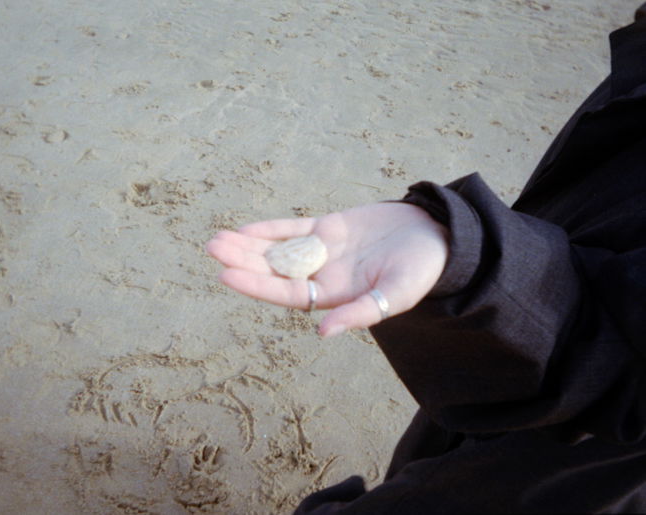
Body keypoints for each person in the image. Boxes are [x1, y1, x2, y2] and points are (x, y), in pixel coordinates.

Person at [206, 5, 646, 513]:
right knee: (457, 422)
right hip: (598, 202)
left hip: (604, 455)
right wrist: (466, 259)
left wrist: (480, 266)